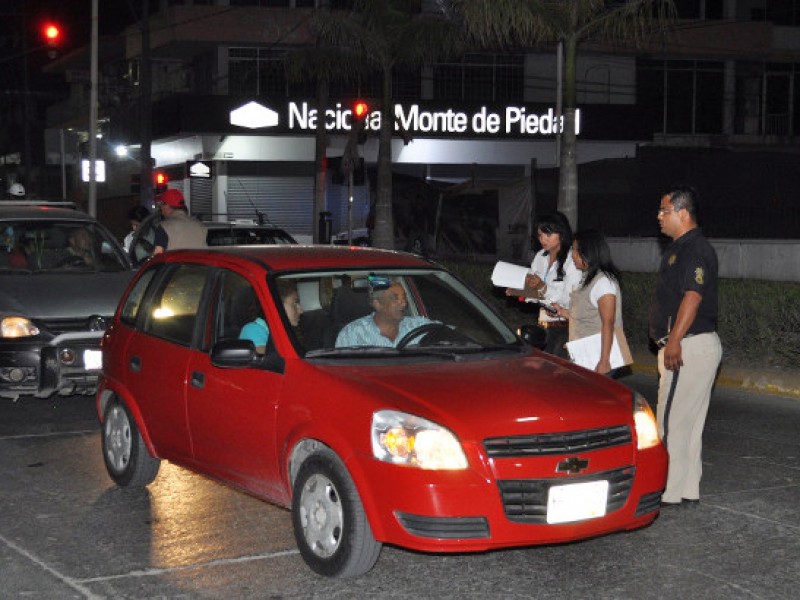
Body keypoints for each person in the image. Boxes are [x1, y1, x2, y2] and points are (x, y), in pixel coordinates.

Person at [649, 185, 722, 508]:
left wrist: (674, 340)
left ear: (683, 213)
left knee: (669, 421)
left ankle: (668, 490)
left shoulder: (694, 249)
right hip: (695, 344)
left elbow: (693, 296)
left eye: (664, 211)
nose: (659, 217)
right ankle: (687, 487)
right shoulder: (686, 247)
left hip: (688, 345)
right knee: (689, 423)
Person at [506, 211, 581, 357]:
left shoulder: (572, 259)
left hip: (567, 324)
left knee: (560, 367)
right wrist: (520, 291)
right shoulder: (540, 256)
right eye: (540, 235)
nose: (543, 239)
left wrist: (543, 287)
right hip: (544, 322)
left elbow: (570, 299)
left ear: (561, 234)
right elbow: (534, 290)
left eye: (548, 235)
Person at [553, 229, 626, 376]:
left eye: (575, 250)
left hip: (598, 357)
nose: (572, 255)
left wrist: (604, 361)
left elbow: (609, 323)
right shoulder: (587, 277)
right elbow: (588, 315)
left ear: (588, 252)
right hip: (585, 355)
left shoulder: (603, 282)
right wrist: (562, 312)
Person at [335, 278, 431, 347]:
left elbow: (444, 331)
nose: (404, 303)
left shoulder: (419, 326)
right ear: (377, 304)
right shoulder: (352, 334)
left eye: (404, 297)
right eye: (395, 298)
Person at [239, 279, 304, 354]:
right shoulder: (253, 329)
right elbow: (269, 362)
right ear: (277, 304)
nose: (301, 310)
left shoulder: (290, 329)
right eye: (295, 303)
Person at [153, 189, 207, 253]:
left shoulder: (164, 227)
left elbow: (157, 256)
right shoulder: (200, 226)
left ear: (166, 206)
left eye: (161, 205)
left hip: (175, 263)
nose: (161, 209)